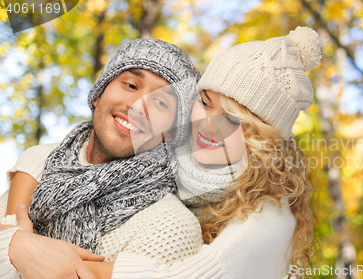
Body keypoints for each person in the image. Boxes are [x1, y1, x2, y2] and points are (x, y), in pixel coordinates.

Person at [0, 26, 322, 279]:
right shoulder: (53, 163)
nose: (207, 125)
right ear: (97, 94)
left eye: (161, 102)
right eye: (205, 103)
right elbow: (45, 157)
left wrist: (43, 255)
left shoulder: (264, 220)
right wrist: (19, 239)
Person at [0, 38, 204, 278]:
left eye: (160, 102)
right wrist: (15, 245)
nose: (138, 106)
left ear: (170, 133)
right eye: (130, 85)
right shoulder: (40, 161)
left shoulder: (171, 227)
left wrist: (16, 244)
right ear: (98, 95)